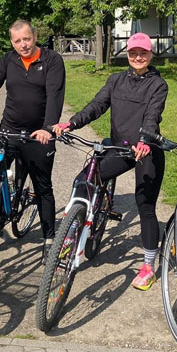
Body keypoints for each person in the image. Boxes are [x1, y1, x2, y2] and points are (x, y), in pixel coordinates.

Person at [52, 32, 168, 290]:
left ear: (150, 55)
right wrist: (71, 123)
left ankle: (148, 265)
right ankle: (73, 232)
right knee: (83, 180)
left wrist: (145, 140)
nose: (138, 57)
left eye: (143, 53)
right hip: (120, 148)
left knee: (144, 204)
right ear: (127, 54)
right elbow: (96, 105)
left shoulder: (158, 85)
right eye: (133, 53)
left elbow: (152, 115)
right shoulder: (115, 80)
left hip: (146, 150)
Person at [0, 20, 65, 261]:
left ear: (35, 36)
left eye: (27, 39)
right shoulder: (8, 60)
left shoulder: (51, 60)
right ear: (12, 42)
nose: (23, 45)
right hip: (8, 130)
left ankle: (49, 238)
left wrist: (49, 129)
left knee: (43, 188)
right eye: (17, 41)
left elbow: (55, 96)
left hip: (38, 134)